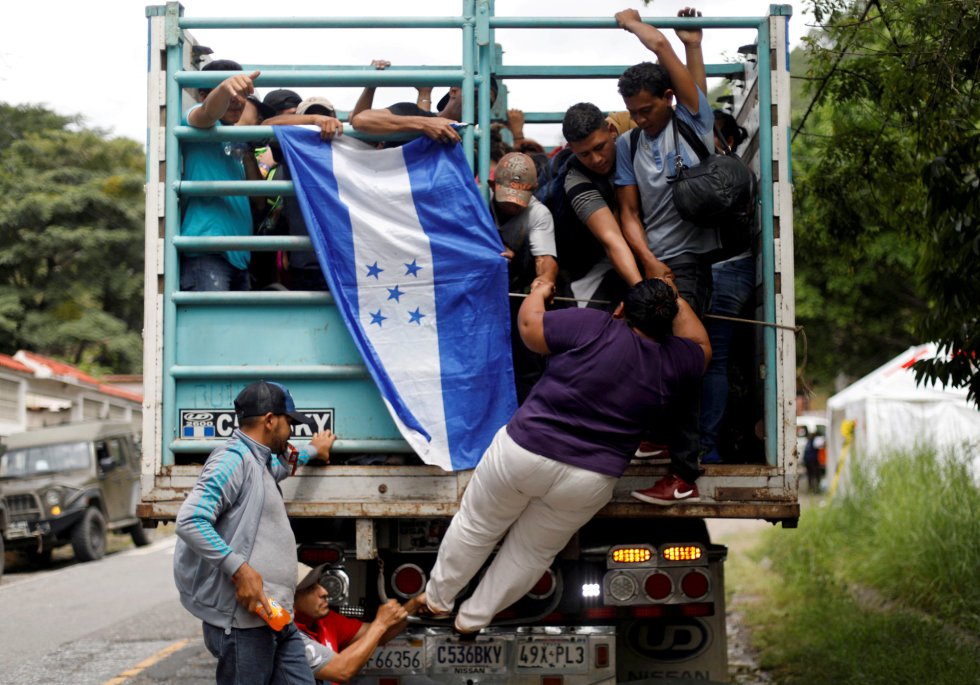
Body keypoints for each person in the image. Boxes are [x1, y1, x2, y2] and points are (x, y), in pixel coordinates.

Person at [414, 276, 710, 636]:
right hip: (589, 480)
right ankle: (472, 620)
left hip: (524, 453)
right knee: (529, 555)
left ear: (619, 310)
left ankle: (437, 601)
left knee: (478, 525)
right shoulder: (675, 361)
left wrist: (538, 289)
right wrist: (674, 298)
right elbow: (700, 343)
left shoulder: (596, 326)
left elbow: (529, 328)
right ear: (667, 326)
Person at [613, 8, 719, 501]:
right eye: (633, 111)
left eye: (647, 109)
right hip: (653, 267)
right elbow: (629, 213)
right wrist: (647, 263)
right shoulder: (629, 143)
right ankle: (655, 439)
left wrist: (632, 21)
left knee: (684, 361)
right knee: (641, 356)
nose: (639, 118)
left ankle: (684, 476)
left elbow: (662, 48)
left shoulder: (693, 117)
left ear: (669, 99)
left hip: (691, 264)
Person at [173, 381, 337, 685]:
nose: (291, 432)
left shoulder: (258, 461)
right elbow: (191, 520)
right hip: (243, 623)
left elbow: (284, 465)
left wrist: (314, 450)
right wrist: (240, 570)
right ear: (270, 420)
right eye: (289, 423)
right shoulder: (232, 459)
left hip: (274, 615)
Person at [698, 110, 754, 464]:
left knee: (710, 361)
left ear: (728, 140)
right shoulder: (739, 171)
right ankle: (709, 445)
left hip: (723, 270)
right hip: (732, 269)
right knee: (713, 361)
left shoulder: (724, 171)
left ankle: (708, 447)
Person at [554, 102, 646, 311]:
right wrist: (643, 292)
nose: (596, 159)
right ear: (571, 149)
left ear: (612, 131)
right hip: (596, 261)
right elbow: (611, 240)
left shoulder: (639, 147)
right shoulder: (575, 179)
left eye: (599, 147)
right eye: (584, 154)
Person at [180, 59, 262, 291]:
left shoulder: (233, 136)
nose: (238, 99)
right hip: (208, 252)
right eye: (230, 92)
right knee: (211, 328)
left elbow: (258, 201)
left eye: (243, 93)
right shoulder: (195, 119)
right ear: (203, 95)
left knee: (236, 328)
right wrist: (225, 88)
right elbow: (207, 113)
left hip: (237, 258)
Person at [491, 152, 558, 404]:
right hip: (481, 296)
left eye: (520, 200)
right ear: (492, 186)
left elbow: (546, 261)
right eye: (507, 200)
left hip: (519, 291)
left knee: (527, 364)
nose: (513, 206)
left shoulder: (538, 213)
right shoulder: (477, 203)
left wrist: (543, 283)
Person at [293, 562, 411, 684]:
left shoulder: (325, 620)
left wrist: (414, 604)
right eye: (310, 589)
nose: (324, 591)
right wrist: (380, 623)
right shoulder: (291, 638)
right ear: (291, 601)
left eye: (318, 583)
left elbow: (375, 636)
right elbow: (342, 671)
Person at [350, 77, 498, 146]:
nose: (481, 106)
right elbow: (361, 120)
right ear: (453, 91)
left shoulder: (475, 145)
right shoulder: (411, 112)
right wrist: (424, 125)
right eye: (477, 96)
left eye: (488, 104)